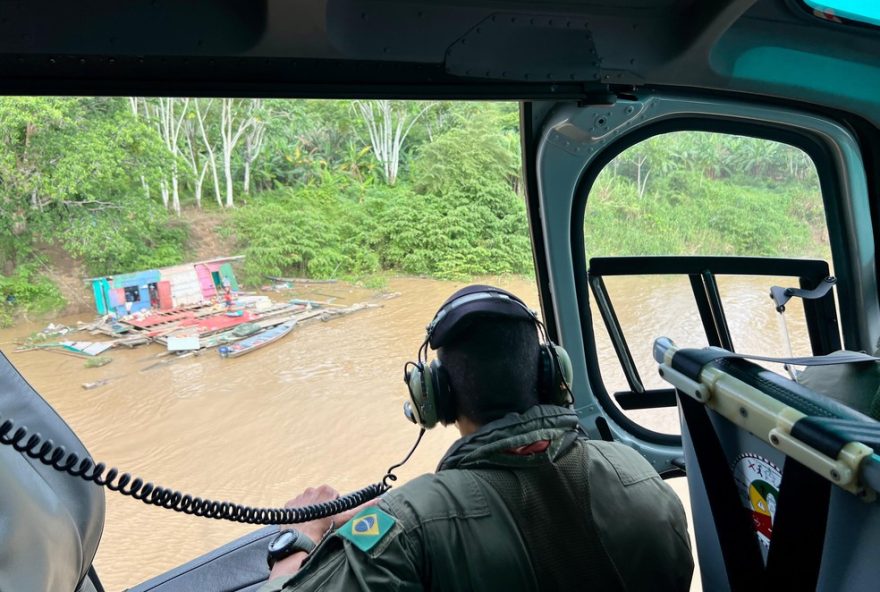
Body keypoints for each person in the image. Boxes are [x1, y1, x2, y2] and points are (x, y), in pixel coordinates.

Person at [260, 285, 694, 591]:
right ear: (552, 377)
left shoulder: (411, 527)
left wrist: (297, 537)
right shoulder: (641, 478)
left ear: (434, 398)